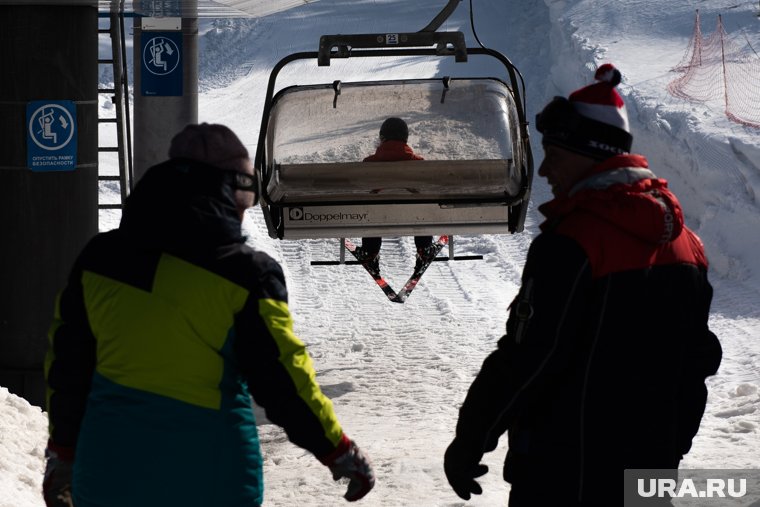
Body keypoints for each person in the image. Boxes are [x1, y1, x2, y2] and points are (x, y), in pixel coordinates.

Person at [42, 123, 375, 507]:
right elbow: (283, 379)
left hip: (108, 475)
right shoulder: (247, 276)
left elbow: (67, 369)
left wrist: (62, 452)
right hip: (211, 479)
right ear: (232, 191)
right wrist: (335, 448)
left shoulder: (98, 260)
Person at [443, 64, 722, 506]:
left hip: (563, 474)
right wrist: (669, 448)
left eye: (554, 153)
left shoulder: (573, 244)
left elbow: (531, 356)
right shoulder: (687, 246)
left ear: (590, 153)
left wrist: (472, 437)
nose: (545, 171)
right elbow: (697, 362)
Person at [354, 117, 436, 272]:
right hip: (414, 217)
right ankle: (424, 248)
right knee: (422, 204)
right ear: (405, 138)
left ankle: (370, 251)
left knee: (372, 206)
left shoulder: (368, 163)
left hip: (377, 218)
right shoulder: (419, 163)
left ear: (382, 138)